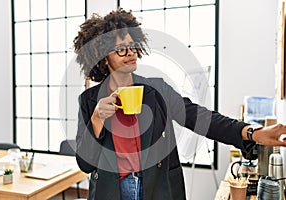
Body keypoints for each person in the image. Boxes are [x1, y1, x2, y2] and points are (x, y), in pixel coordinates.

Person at [74, 8, 286, 200]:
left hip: (156, 188)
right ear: (103, 58)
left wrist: (252, 133)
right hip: (112, 191)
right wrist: (97, 118)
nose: (130, 52)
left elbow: (199, 117)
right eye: (120, 49)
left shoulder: (157, 90)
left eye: (132, 46)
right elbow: (85, 164)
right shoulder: (90, 101)